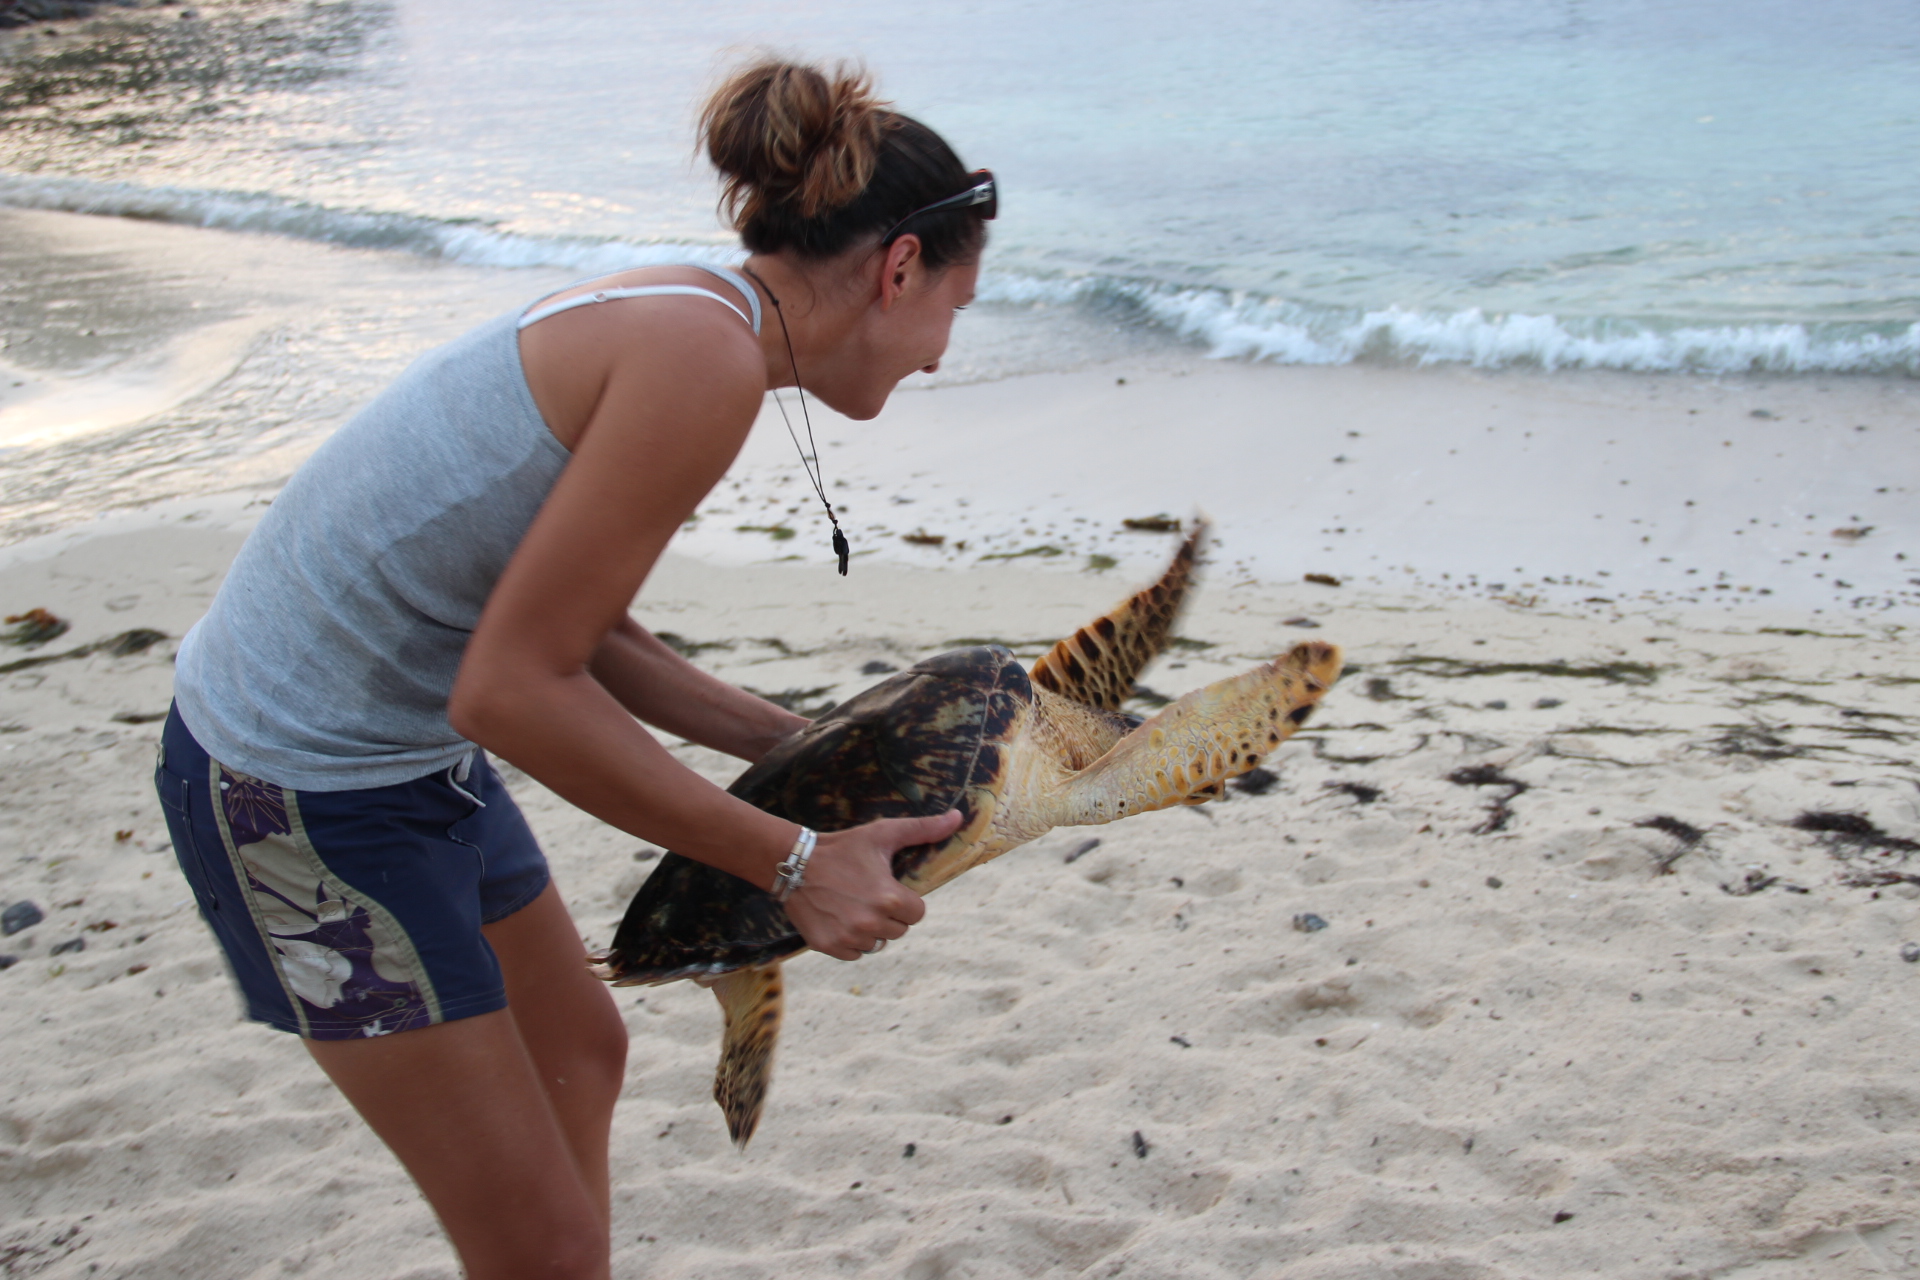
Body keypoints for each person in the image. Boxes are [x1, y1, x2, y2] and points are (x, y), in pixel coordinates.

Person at [152, 58, 992, 1279]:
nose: (940, 354)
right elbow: (512, 689)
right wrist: (793, 863)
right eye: (959, 309)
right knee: (536, 1241)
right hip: (297, 790)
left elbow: (579, 628)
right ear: (899, 267)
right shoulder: (700, 363)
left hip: (397, 755)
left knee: (580, 1055)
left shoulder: (698, 309)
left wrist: (796, 745)